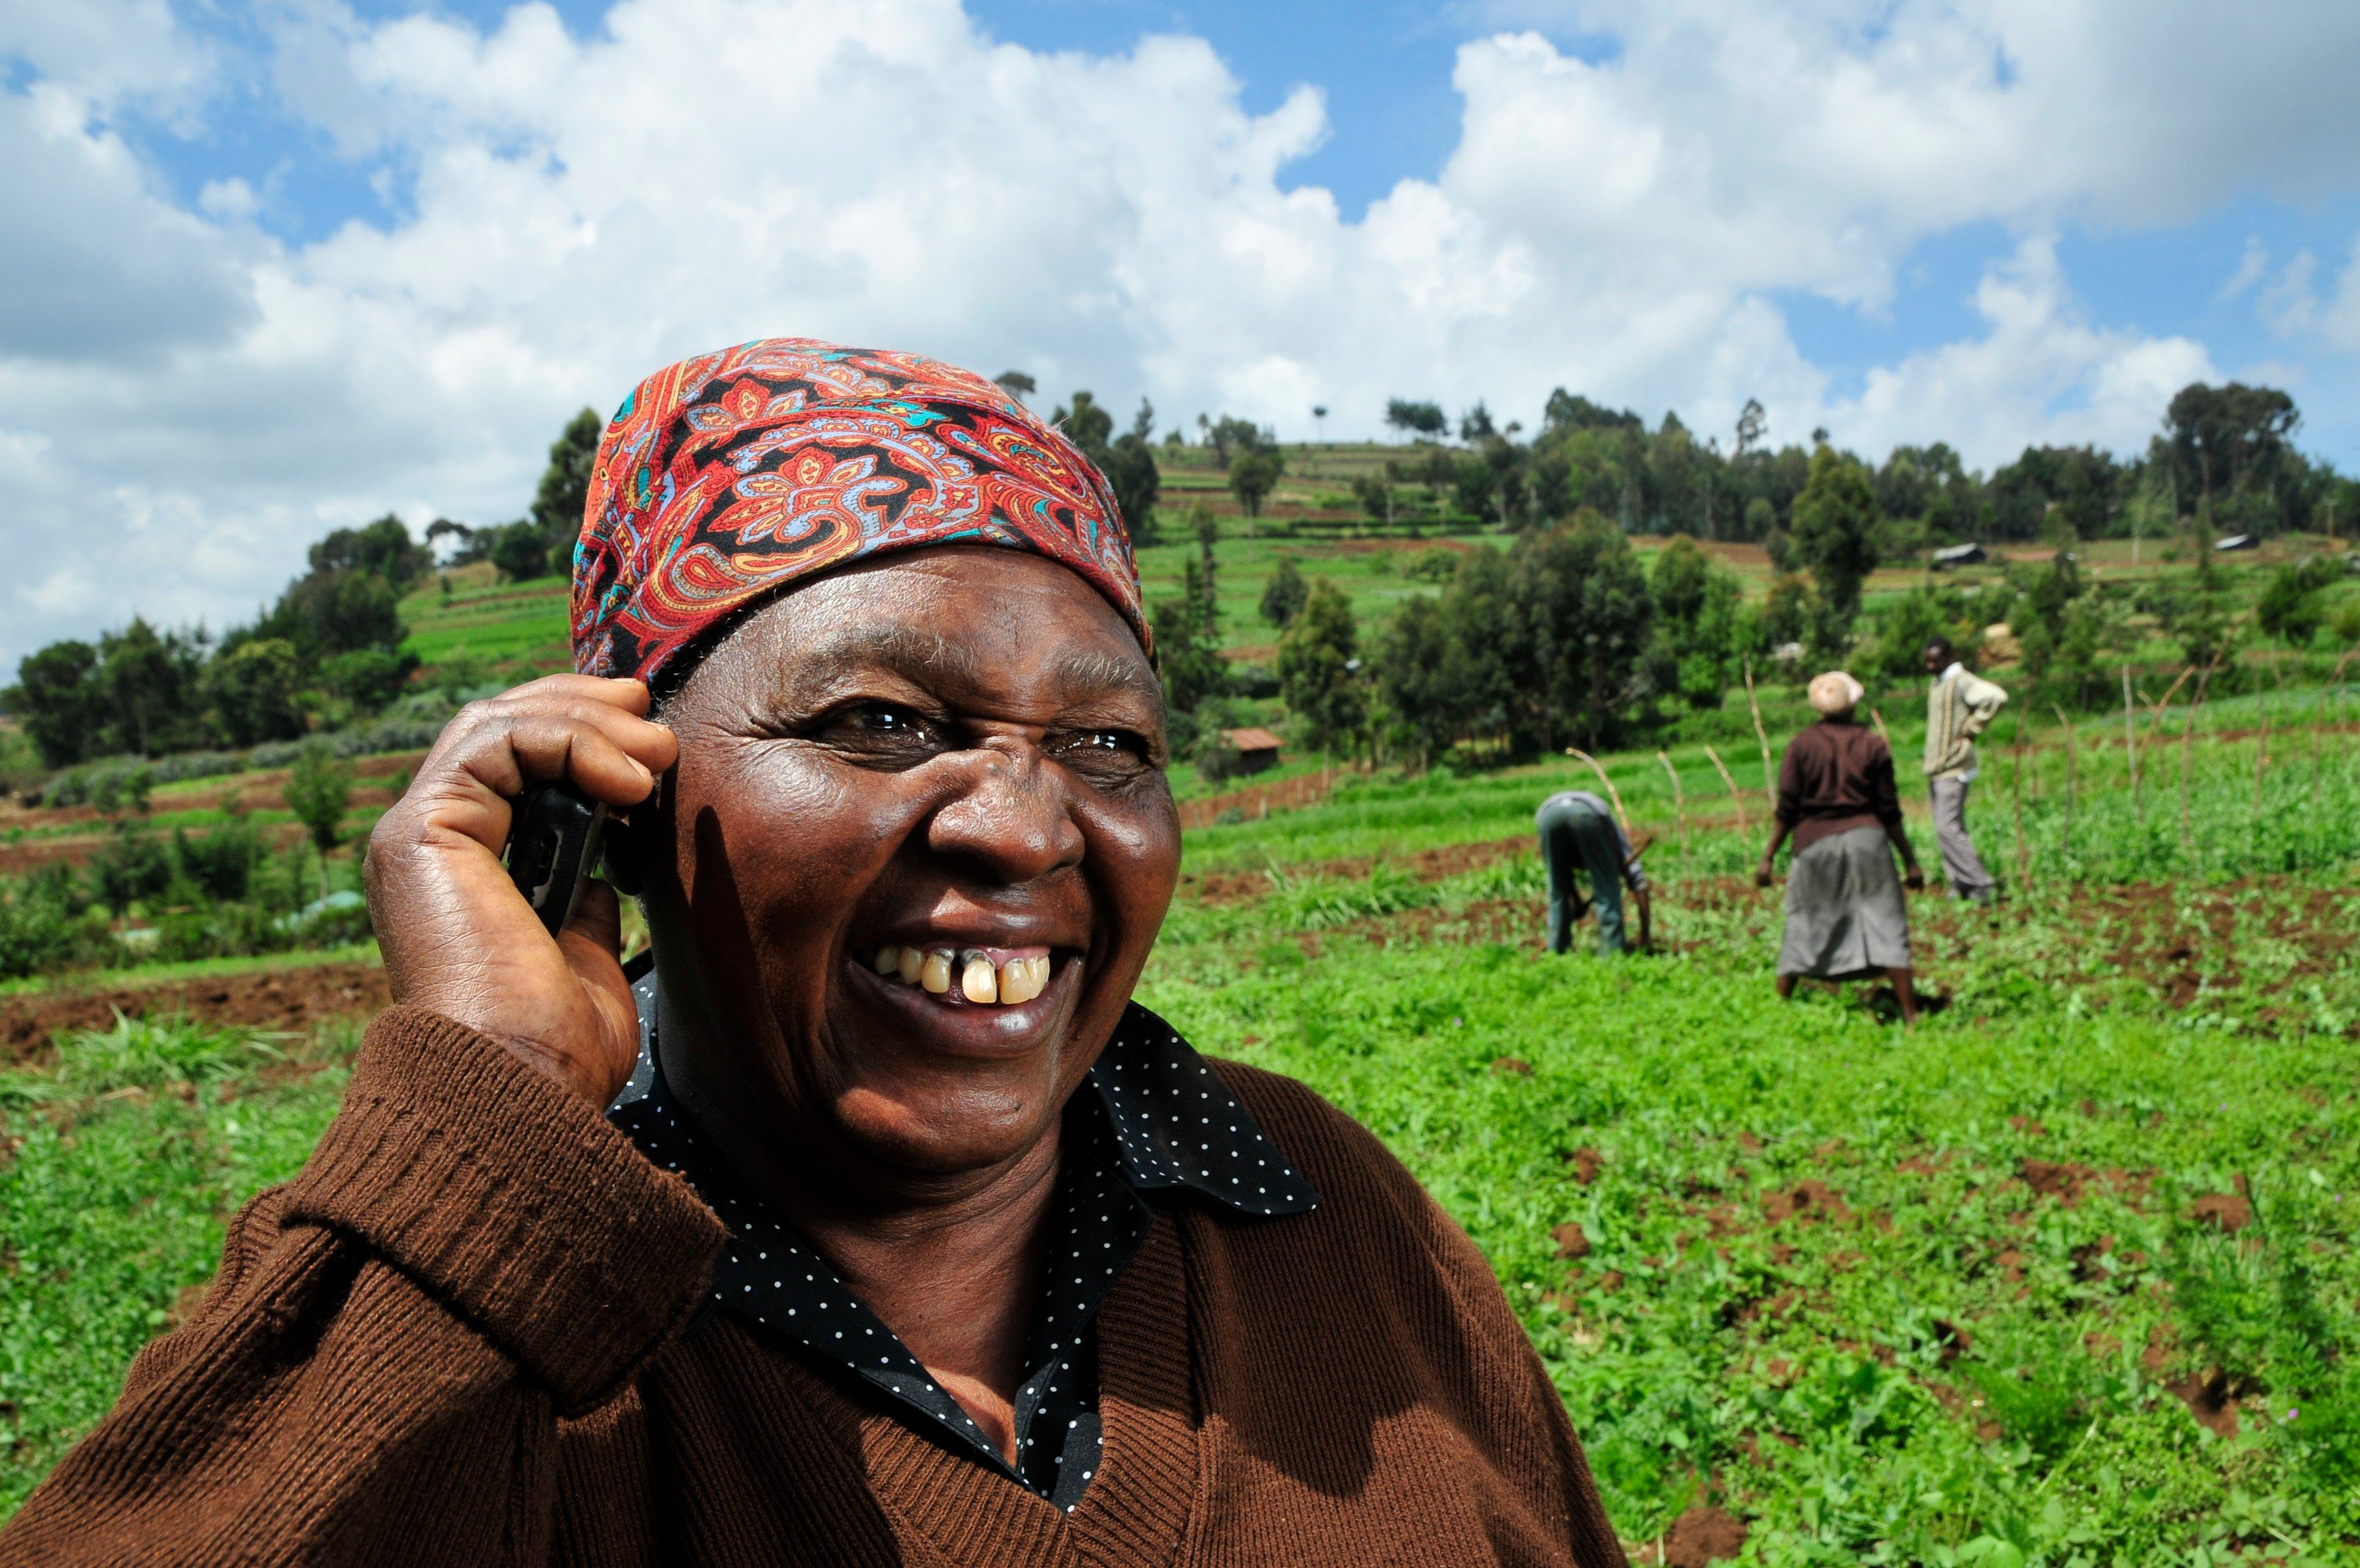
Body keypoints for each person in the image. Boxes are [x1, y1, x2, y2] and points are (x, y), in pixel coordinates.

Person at [0, 340, 1629, 1567]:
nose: (1027, 822)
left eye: (1112, 740)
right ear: (614, 791)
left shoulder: (1326, 1210)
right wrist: (487, 1126)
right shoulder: (476, 1337)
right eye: (880, 720)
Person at [1755, 671, 1927, 1023]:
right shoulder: (1873, 744)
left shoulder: (1801, 746)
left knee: (1805, 921)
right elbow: (1888, 809)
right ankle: (1910, 1016)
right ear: (1852, 705)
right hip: (1869, 842)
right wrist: (1910, 861)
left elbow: (1786, 808)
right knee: (1885, 919)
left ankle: (1778, 1009)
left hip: (1815, 843)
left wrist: (1768, 856)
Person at [1921, 636, 2008, 906]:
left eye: (1936, 660)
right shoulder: (1938, 683)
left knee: (1948, 829)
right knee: (1944, 828)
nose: (1931, 665)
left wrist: (1971, 729)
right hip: (1939, 767)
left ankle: (1981, 882)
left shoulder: (1960, 680)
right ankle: (1960, 883)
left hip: (1953, 766)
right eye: (1928, 661)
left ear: (1949, 656)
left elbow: (1995, 697)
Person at [1536, 789, 1650, 956]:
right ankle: (1613, 953)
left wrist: (1576, 900)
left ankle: (1556, 952)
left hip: (1548, 815)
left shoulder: (1584, 845)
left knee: (1557, 890)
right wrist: (1646, 935)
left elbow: (1563, 878)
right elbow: (1638, 879)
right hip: (1587, 814)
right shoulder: (1611, 839)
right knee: (1607, 888)